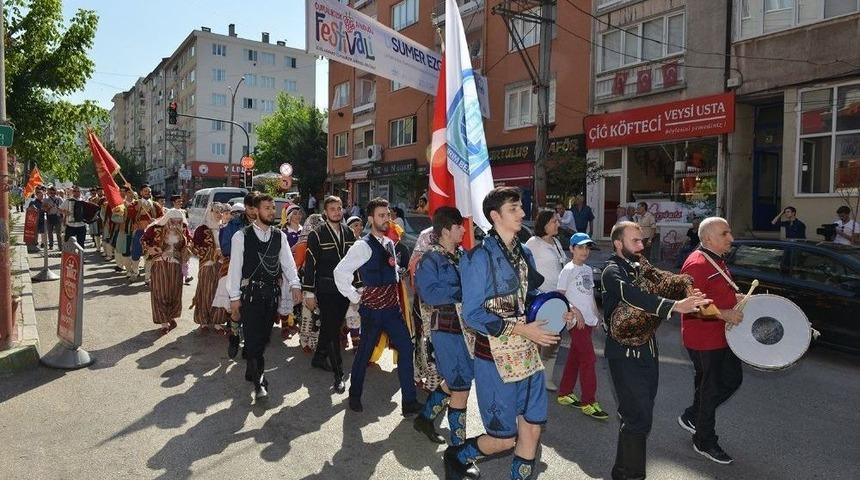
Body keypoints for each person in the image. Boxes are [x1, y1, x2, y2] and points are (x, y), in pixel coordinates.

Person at [446, 187, 570, 480]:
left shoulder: (525, 252)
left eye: (520, 207)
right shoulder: (477, 258)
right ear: (495, 216)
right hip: (494, 358)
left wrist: (561, 310)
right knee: (503, 439)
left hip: (528, 353)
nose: (522, 213)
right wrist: (520, 328)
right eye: (513, 209)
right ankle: (457, 456)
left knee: (532, 427)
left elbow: (529, 296)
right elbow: (472, 313)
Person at [601, 221, 711, 480]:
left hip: (648, 350)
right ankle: (632, 476)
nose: (641, 245)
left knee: (638, 416)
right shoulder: (611, 271)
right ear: (618, 243)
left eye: (642, 240)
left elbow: (667, 279)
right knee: (637, 418)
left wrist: (687, 287)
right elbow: (633, 296)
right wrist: (675, 306)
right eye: (635, 241)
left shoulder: (642, 265)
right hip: (625, 355)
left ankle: (622, 473)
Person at [333, 197, 423, 416]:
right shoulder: (362, 246)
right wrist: (355, 297)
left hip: (392, 309)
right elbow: (340, 272)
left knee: (406, 348)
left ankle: (409, 402)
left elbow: (391, 271)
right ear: (371, 219)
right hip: (372, 311)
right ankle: (355, 395)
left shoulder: (390, 243)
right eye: (381, 216)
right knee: (364, 353)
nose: (386, 219)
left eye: (388, 215)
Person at [413, 206, 478, 475]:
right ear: (445, 230)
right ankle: (459, 451)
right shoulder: (431, 259)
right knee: (461, 386)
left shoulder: (463, 256)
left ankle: (425, 418)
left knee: (455, 380)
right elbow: (430, 293)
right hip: (446, 329)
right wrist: (463, 291)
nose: (464, 230)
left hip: (468, 331)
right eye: (459, 226)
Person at [678, 217, 745, 465]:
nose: (731, 238)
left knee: (729, 380)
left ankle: (694, 415)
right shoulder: (696, 263)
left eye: (730, 232)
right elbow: (692, 305)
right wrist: (724, 313)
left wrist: (734, 298)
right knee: (713, 387)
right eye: (724, 234)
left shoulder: (716, 259)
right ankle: (704, 440)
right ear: (707, 238)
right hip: (704, 338)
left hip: (722, 335)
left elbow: (715, 292)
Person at [227, 194, 302, 400]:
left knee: (263, 338)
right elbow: (235, 269)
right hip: (250, 295)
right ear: (256, 210)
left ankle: (251, 368)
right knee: (253, 339)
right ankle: (260, 382)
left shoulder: (279, 236)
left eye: (272, 208)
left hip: (271, 295)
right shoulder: (241, 236)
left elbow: (288, 263)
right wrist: (234, 297)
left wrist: (295, 284)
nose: (271, 212)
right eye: (267, 208)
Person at [303, 196, 358, 393]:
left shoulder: (349, 232)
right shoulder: (316, 234)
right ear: (325, 212)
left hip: (345, 290)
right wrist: (309, 292)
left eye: (339, 208)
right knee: (333, 330)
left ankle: (319, 357)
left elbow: (355, 262)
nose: (337, 211)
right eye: (332, 209)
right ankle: (338, 374)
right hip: (326, 289)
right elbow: (310, 265)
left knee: (330, 326)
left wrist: (359, 287)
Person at [556, 233, 608, 420]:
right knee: (589, 360)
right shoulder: (567, 270)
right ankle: (588, 402)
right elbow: (560, 296)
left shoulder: (587, 269)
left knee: (575, 358)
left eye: (587, 247)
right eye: (580, 247)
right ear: (571, 249)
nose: (584, 251)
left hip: (588, 321)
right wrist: (574, 310)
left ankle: (564, 393)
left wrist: (596, 315)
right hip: (575, 322)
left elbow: (589, 294)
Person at [524, 210, 568, 391]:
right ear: (544, 224)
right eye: (553, 221)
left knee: (554, 339)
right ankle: (530, 378)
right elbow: (526, 268)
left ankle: (547, 378)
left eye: (557, 221)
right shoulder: (533, 243)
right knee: (536, 339)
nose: (558, 224)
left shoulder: (556, 242)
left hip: (557, 299)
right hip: (540, 300)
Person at [141, 209, 192, 335]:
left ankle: (171, 316)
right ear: (167, 220)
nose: (176, 223)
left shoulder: (183, 228)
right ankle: (163, 322)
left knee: (174, 292)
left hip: (176, 263)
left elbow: (190, 241)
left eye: (179, 221)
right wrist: (150, 248)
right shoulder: (155, 228)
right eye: (173, 221)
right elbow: (143, 240)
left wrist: (187, 247)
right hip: (159, 262)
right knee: (160, 291)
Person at [220, 193, 258, 359]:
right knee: (237, 309)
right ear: (246, 207)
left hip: (258, 273)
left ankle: (249, 344)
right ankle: (234, 336)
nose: (255, 211)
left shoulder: (265, 223)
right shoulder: (234, 224)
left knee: (254, 311)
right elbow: (225, 247)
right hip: (238, 272)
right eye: (252, 208)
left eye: (258, 208)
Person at [189, 204, 227, 333]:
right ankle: (203, 321)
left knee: (219, 293)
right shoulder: (202, 229)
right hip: (207, 264)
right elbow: (194, 247)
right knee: (205, 292)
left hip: (222, 266)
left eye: (221, 212)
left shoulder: (224, 228)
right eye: (216, 212)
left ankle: (217, 321)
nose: (219, 215)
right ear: (210, 213)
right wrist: (211, 253)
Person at [129, 185, 164, 284]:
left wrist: (156, 220)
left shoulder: (155, 205)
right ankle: (135, 273)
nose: (148, 193)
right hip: (139, 231)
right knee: (136, 253)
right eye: (145, 191)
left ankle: (147, 278)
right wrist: (136, 209)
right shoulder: (136, 203)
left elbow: (162, 217)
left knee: (149, 255)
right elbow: (130, 215)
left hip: (151, 233)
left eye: (149, 191)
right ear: (141, 192)